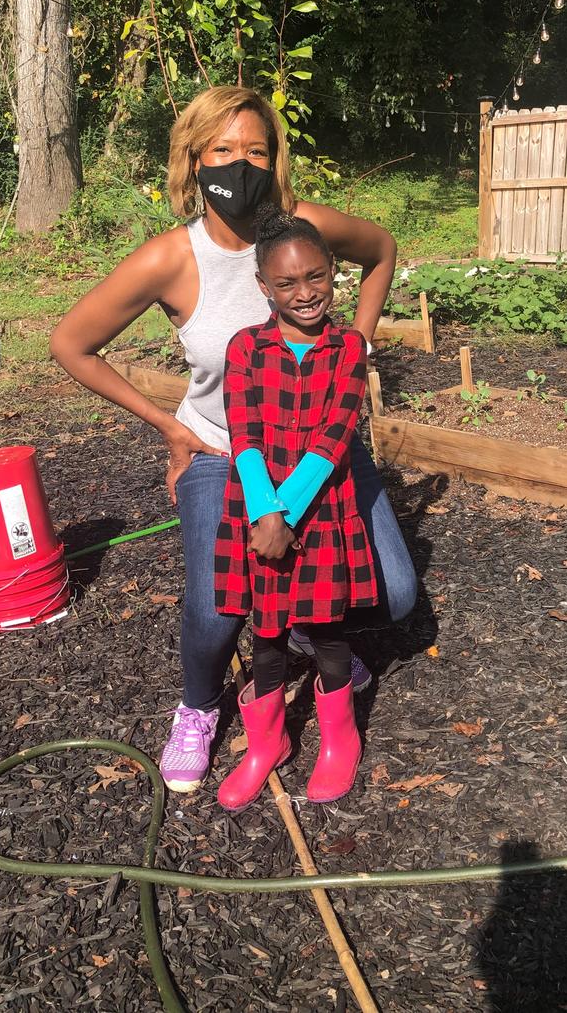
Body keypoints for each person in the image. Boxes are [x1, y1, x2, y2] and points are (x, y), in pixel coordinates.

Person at [50, 85, 417, 793]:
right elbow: (72, 343)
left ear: (275, 160)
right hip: (227, 446)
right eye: (223, 149)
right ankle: (198, 704)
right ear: (194, 159)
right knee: (218, 610)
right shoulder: (171, 259)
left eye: (256, 149)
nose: (240, 163)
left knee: (396, 595)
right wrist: (169, 424)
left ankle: (310, 626)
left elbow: (381, 249)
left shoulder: (302, 229)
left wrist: (358, 346)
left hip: (326, 446)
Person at [215, 207, 377, 810]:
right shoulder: (245, 349)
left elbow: (334, 437)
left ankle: (340, 738)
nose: (305, 293)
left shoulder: (348, 347)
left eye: (315, 277)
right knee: (267, 635)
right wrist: (266, 515)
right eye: (287, 283)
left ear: (332, 272)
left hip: (320, 513)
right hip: (259, 518)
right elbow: (244, 434)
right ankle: (268, 745)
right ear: (265, 288)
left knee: (329, 636)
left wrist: (287, 513)